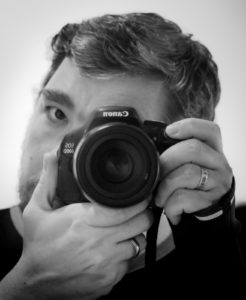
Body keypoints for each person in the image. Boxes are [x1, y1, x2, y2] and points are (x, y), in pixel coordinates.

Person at [0, 12, 245, 299]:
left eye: (109, 138)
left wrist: (215, 252)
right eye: (57, 113)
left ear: (178, 150)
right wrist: (25, 287)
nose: (60, 153)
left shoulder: (221, 250)